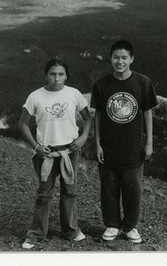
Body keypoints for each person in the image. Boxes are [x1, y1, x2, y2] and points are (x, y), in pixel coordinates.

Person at [19, 58, 91, 249]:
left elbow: (87, 118)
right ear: (46, 75)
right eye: (52, 74)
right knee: (44, 193)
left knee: (70, 191)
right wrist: (36, 147)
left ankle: (71, 229)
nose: (56, 78)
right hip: (46, 152)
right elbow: (23, 124)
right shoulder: (36, 96)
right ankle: (36, 234)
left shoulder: (74, 94)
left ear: (66, 76)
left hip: (70, 150)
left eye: (60, 74)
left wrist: (83, 137)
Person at [91, 39, 158, 244]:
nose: (120, 61)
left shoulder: (143, 83)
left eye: (124, 58)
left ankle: (130, 227)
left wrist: (149, 143)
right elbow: (99, 116)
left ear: (132, 59)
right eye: (116, 57)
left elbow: (147, 113)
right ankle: (112, 224)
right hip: (109, 147)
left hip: (133, 147)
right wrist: (97, 143)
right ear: (110, 59)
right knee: (108, 188)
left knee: (132, 189)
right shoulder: (101, 84)